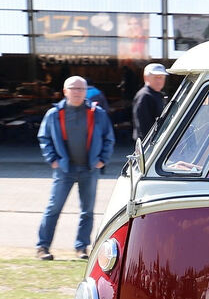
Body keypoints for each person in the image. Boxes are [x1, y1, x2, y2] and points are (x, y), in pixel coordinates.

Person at [35, 76, 115, 260]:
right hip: (64, 170)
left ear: (86, 91)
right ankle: (42, 247)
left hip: (89, 169)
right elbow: (44, 138)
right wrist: (52, 159)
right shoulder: (54, 114)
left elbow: (108, 138)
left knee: (87, 211)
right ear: (65, 91)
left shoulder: (97, 113)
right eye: (73, 88)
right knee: (53, 208)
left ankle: (81, 248)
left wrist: (102, 159)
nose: (77, 92)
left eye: (81, 88)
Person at [132, 62, 168, 142]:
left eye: (162, 77)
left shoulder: (159, 95)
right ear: (146, 78)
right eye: (156, 77)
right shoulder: (144, 96)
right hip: (148, 144)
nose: (159, 80)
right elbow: (143, 126)